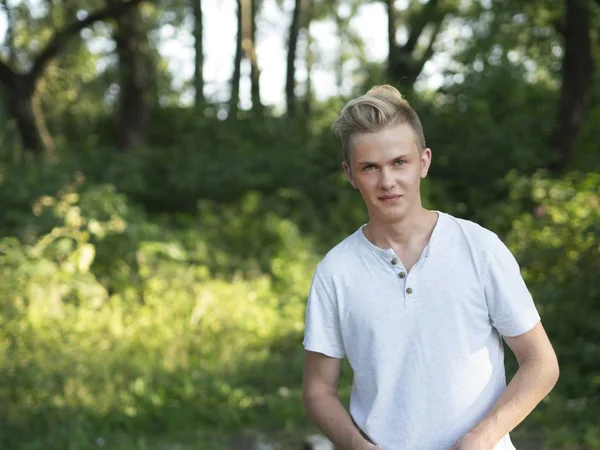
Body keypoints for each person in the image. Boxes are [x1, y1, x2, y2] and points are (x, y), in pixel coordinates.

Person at [301, 85, 559, 450]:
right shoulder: (335, 272)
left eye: (399, 163)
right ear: (350, 173)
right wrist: (358, 447)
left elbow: (541, 362)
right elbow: (317, 390)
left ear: (423, 162)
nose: (387, 181)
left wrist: (480, 439)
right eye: (370, 167)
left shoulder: (479, 248)